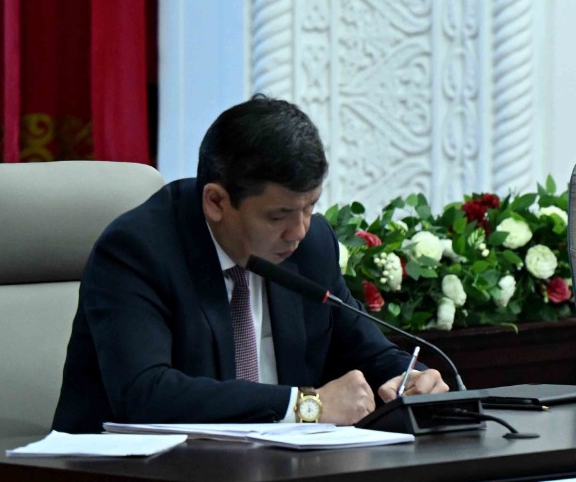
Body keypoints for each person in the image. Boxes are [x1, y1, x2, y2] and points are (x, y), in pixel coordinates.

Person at [53, 96, 448, 432]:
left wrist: (409, 378)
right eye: (278, 216)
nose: (298, 231)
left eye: (310, 207)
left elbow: (367, 351)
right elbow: (146, 394)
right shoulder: (139, 251)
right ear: (216, 202)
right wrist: (305, 406)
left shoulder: (311, 245)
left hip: (279, 473)